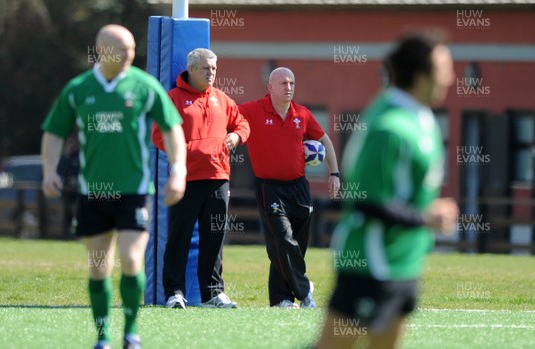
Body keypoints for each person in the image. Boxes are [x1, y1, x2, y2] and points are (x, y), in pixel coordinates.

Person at [41, 24, 187, 349]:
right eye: (122, 49)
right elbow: (54, 131)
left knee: (132, 260)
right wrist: (49, 170)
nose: (129, 55)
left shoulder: (144, 85)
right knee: (98, 267)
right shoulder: (79, 89)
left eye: (132, 49)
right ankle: (103, 336)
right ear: (102, 50)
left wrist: (178, 170)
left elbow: (173, 128)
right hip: (92, 192)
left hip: (134, 191)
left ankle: (131, 332)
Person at [314, 31, 459, 349]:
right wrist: (427, 219)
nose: (452, 77)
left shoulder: (421, 116)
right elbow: (365, 201)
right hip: (370, 263)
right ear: (421, 77)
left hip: (405, 261)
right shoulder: (388, 127)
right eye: (445, 68)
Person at [152, 48, 250, 309]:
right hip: (186, 179)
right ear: (192, 69)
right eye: (206, 68)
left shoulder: (222, 98)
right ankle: (174, 293)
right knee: (179, 238)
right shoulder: (172, 98)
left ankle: (212, 294)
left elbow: (242, 123)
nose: (212, 73)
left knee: (214, 239)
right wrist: (190, 150)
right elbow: (158, 135)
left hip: (218, 178)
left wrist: (236, 137)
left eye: (215, 68)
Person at [238, 67, 340, 308]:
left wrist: (334, 172)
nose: (289, 87)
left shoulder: (302, 114)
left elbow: (324, 140)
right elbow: (229, 115)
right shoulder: (253, 110)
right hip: (269, 188)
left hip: (299, 188)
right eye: (283, 83)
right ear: (270, 87)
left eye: (292, 83)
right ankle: (304, 290)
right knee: (283, 240)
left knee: (292, 247)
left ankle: (281, 299)